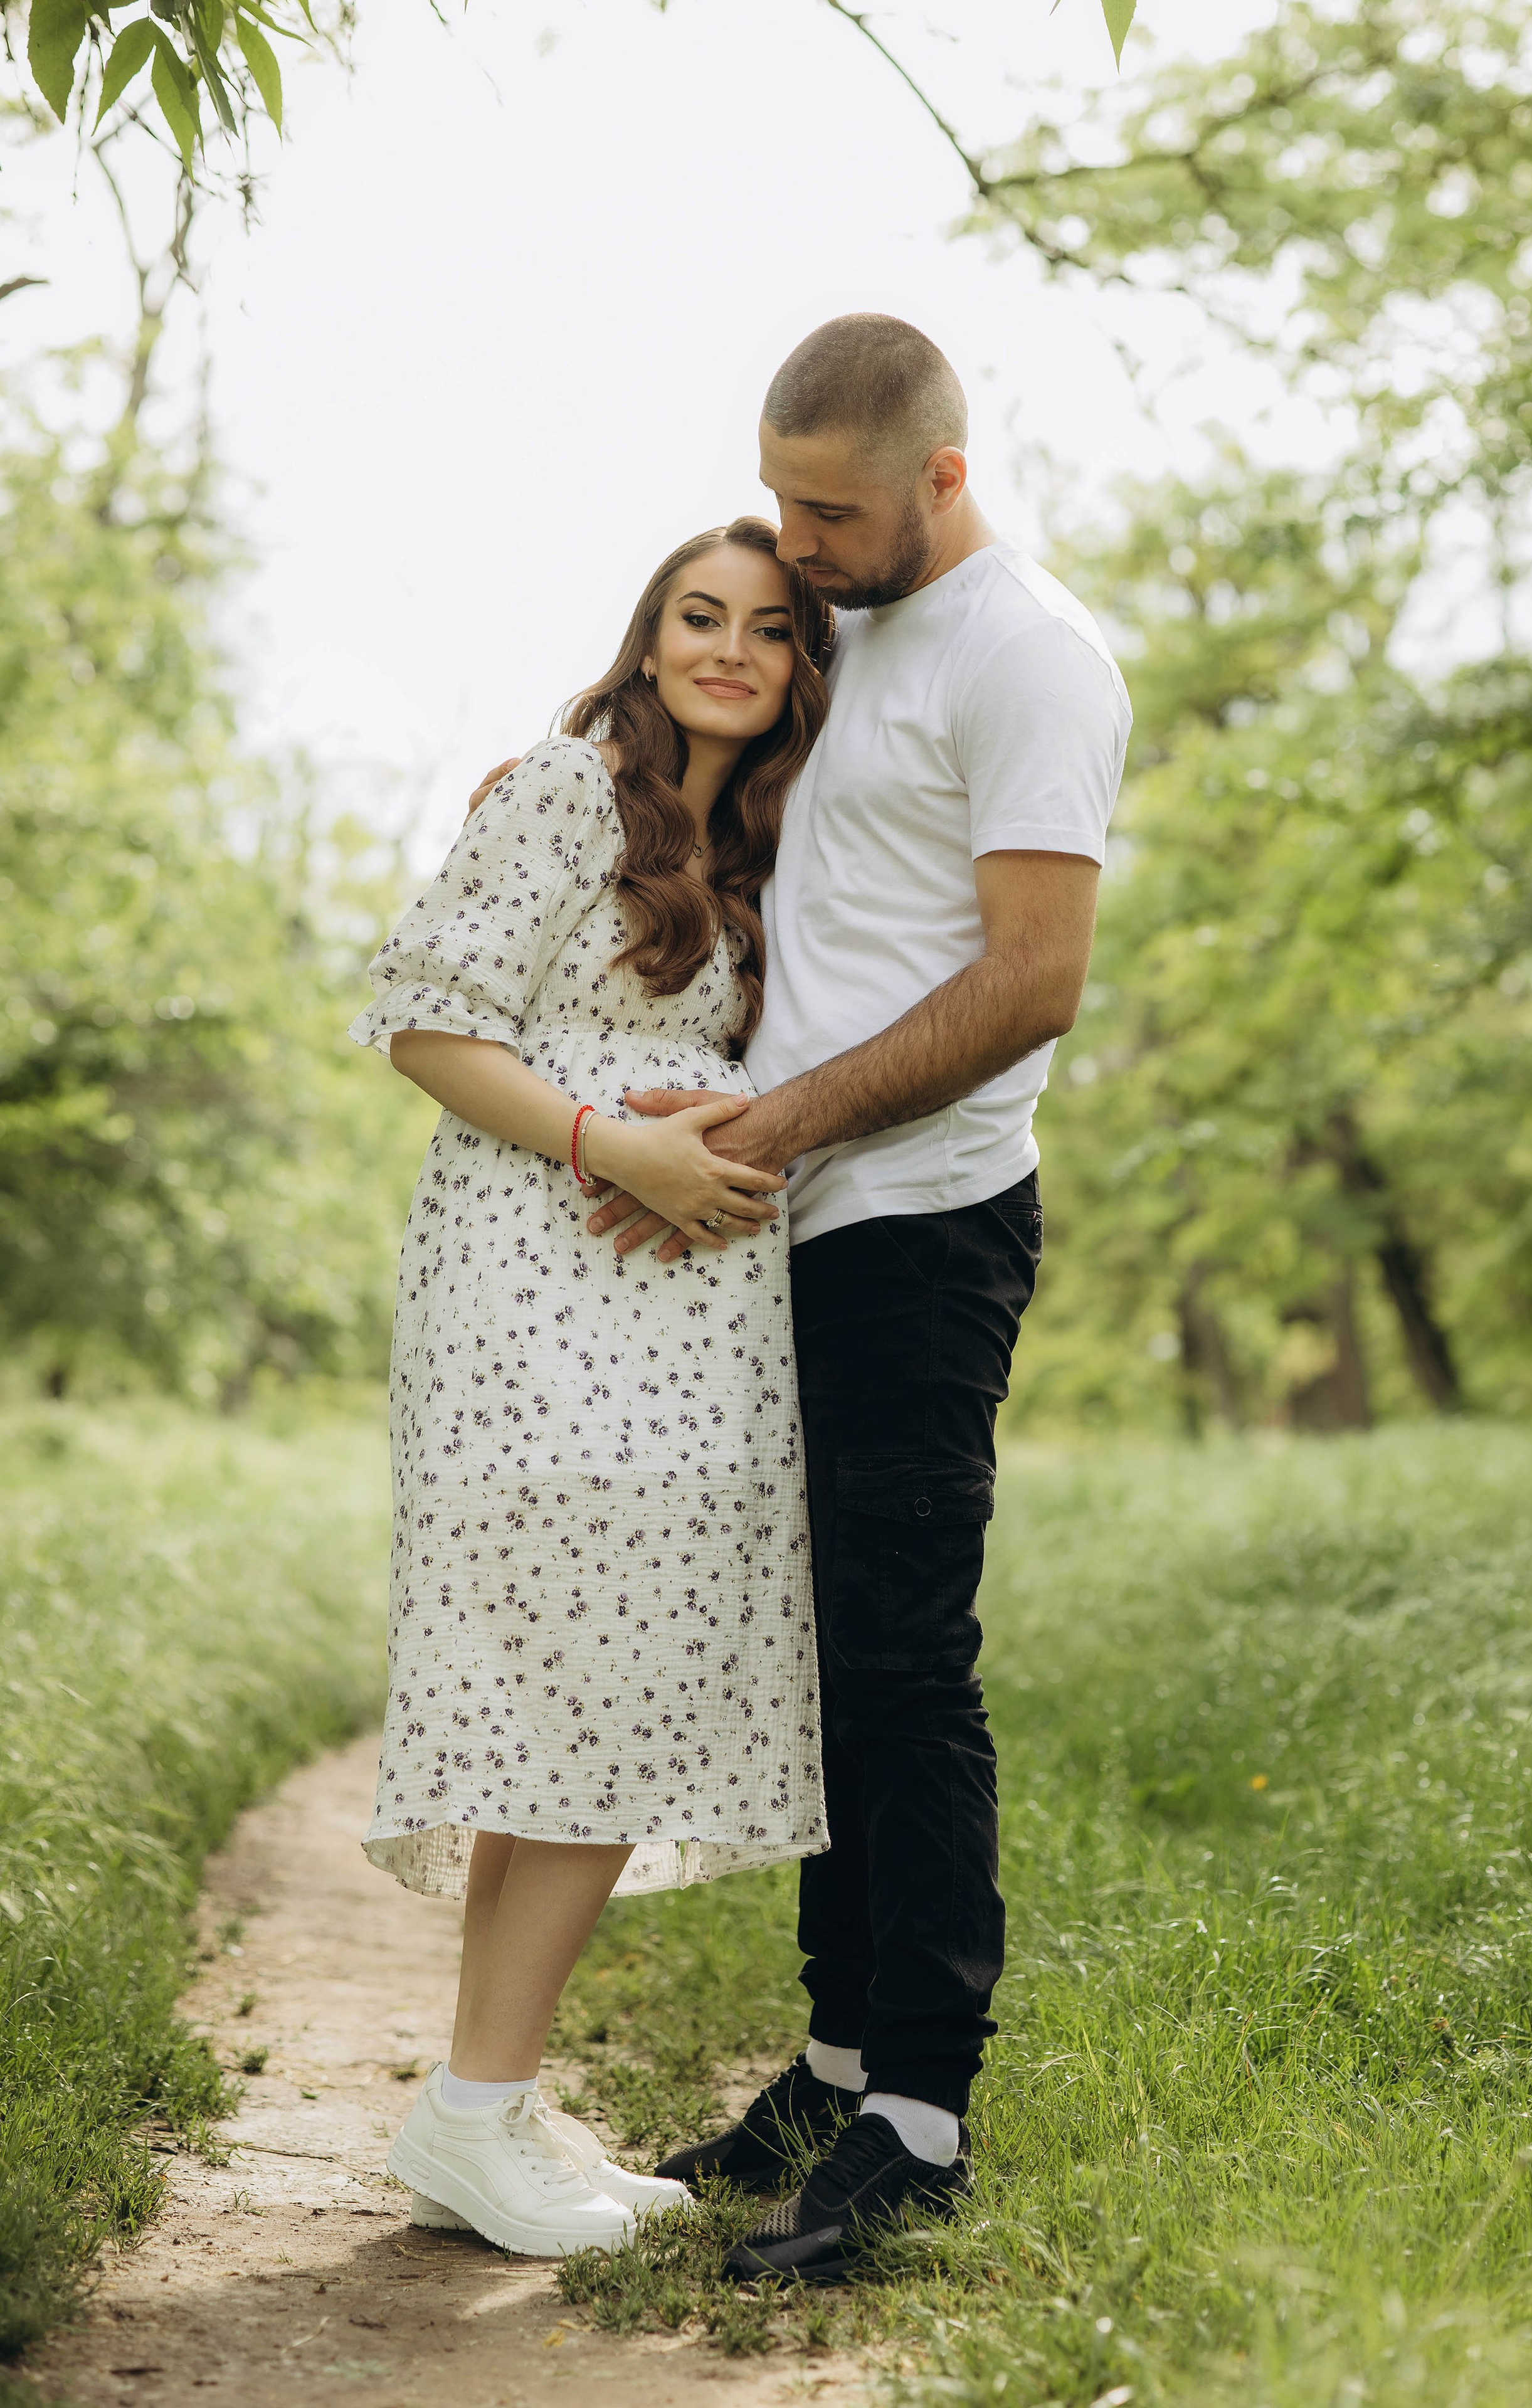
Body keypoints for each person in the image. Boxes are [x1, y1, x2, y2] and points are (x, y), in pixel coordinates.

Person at [590, 316, 1131, 2283]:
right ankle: (828, 2063)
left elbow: (1031, 979)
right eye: (784, 497)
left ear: (944, 477)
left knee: (903, 1660)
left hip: (923, 1212)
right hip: (803, 1218)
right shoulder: (862, 629)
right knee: (819, 1657)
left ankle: (921, 2114)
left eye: (834, 509)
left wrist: (781, 1127)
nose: (798, 542)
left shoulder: (1030, 654)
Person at [348, 516, 833, 2258]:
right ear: (646, 641)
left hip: (675, 1311)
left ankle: (489, 2107)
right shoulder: (566, 794)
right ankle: (476, 2113)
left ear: (797, 670)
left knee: (587, 1676)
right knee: (593, 1664)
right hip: (541, 1283)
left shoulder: (760, 837)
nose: (726, 649)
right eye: (697, 617)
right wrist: (611, 1137)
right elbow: (419, 1018)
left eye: (766, 631)